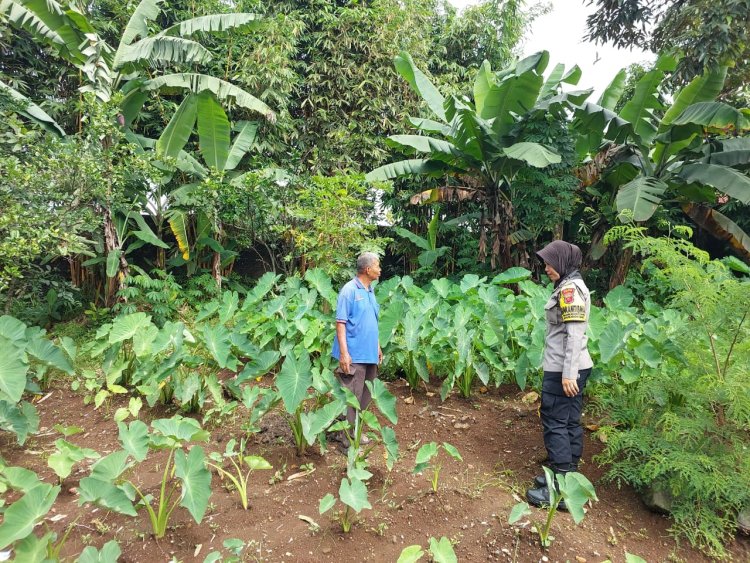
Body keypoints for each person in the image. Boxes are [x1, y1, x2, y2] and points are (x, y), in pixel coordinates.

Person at [526, 240, 593, 509]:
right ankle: (564, 479)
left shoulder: (570, 291)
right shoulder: (570, 286)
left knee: (555, 423)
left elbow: (574, 334)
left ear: (563, 262)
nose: (546, 268)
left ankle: (560, 492)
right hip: (572, 366)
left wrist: (568, 374)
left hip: (564, 369)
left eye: (550, 263)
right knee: (569, 422)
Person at [331, 252, 383, 446]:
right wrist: (344, 354)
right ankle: (346, 440)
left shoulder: (370, 291)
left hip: (369, 355)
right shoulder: (349, 290)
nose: (380, 269)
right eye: (377, 265)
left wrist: (377, 347)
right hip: (354, 356)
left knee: (364, 397)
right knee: (351, 397)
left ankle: (355, 431)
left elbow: (372, 322)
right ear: (368, 269)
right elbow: (340, 323)